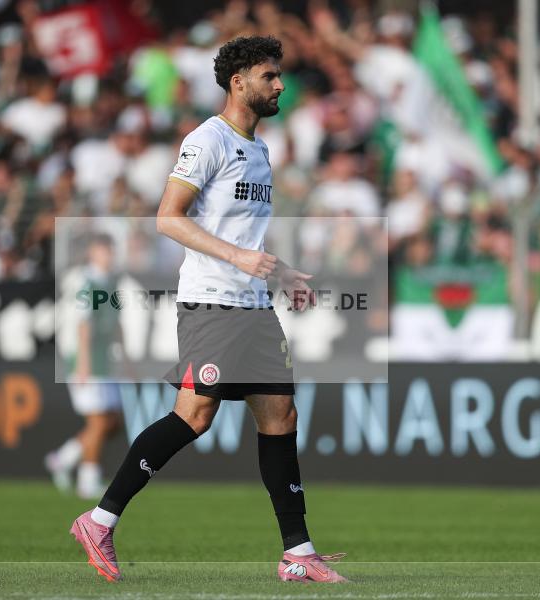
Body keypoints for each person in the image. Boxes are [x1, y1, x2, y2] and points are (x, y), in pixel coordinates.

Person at [69, 36, 347, 584]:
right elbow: (168, 218)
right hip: (212, 304)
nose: (280, 85)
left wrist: (281, 270)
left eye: (279, 76)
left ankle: (298, 552)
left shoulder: (262, 149)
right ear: (238, 80)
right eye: (270, 76)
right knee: (194, 417)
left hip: (251, 304)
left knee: (281, 417)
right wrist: (238, 258)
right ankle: (99, 520)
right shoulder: (207, 139)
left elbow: (244, 234)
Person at [46, 233, 124, 498]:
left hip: (105, 360)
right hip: (88, 362)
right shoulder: (87, 283)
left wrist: (125, 358)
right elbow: (83, 325)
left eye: (110, 250)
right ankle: (87, 480)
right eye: (104, 250)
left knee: (111, 422)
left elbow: (116, 324)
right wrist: (82, 365)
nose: (109, 255)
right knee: (99, 422)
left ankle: (63, 459)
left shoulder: (110, 282)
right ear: (92, 252)